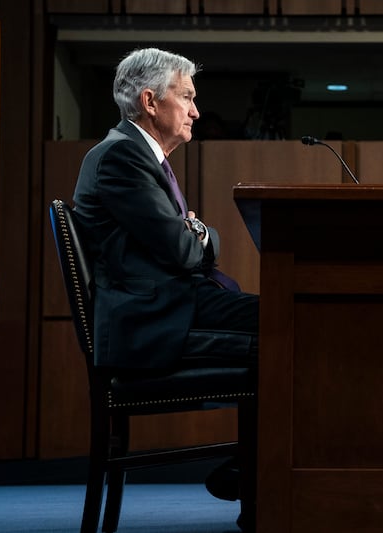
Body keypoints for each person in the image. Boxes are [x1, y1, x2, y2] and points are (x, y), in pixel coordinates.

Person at [72, 47, 258, 532]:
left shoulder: (136, 155)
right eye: (188, 97)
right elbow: (184, 249)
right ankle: (264, 475)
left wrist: (196, 234)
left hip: (176, 307)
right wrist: (196, 232)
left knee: (285, 319)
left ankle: (257, 469)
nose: (196, 111)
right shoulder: (120, 157)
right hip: (154, 324)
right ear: (151, 101)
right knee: (284, 328)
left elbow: (194, 242)